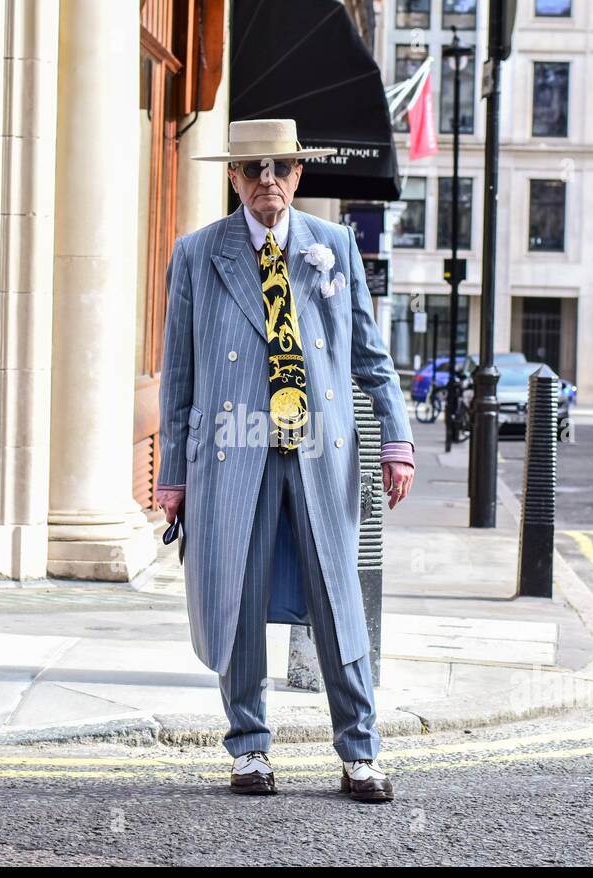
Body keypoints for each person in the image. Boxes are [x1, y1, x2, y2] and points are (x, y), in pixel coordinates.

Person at [156, 119, 415, 802]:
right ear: (232, 177)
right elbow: (177, 373)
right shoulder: (197, 254)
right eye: (252, 168)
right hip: (232, 451)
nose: (266, 180)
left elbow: (369, 355)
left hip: (318, 453)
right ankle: (249, 751)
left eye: (279, 167)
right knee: (235, 597)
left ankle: (360, 752)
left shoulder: (333, 247)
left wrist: (396, 439)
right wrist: (173, 474)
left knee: (338, 600)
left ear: (299, 174)